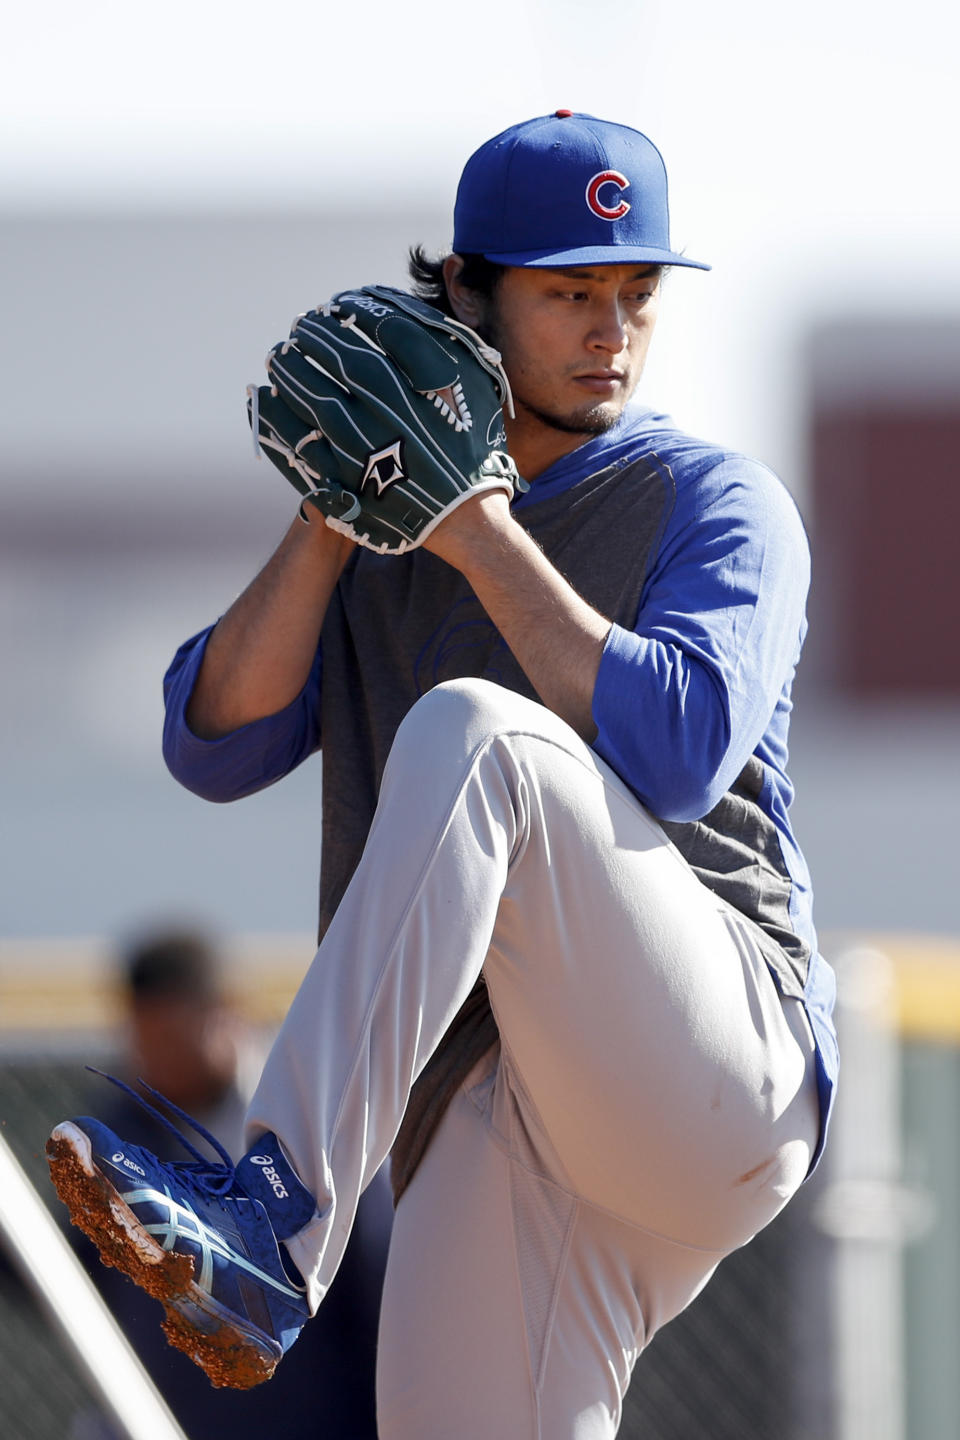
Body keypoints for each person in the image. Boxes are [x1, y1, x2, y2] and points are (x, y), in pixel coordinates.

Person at [49, 111, 838, 1439]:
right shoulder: (385, 541)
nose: (612, 331)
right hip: (489, 1121)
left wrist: (472, 531)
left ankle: (275, 1214)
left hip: (707, 1063)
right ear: (467, 294)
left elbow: (683, 747)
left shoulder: (715, 501)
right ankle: (279, 1224)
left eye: (635, 292)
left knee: (483, 737)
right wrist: (330, 514)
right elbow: (215, 742)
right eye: (569, 290)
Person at [65, 927, 392, 1440]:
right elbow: (70, 1269)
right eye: (146, 1039)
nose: (161, 1058)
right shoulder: (118, 1131)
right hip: (162, 1417)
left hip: (312, 1416)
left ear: (226, 1013)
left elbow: (378, 1284)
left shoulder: (308, 1127)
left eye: (175, 1034)